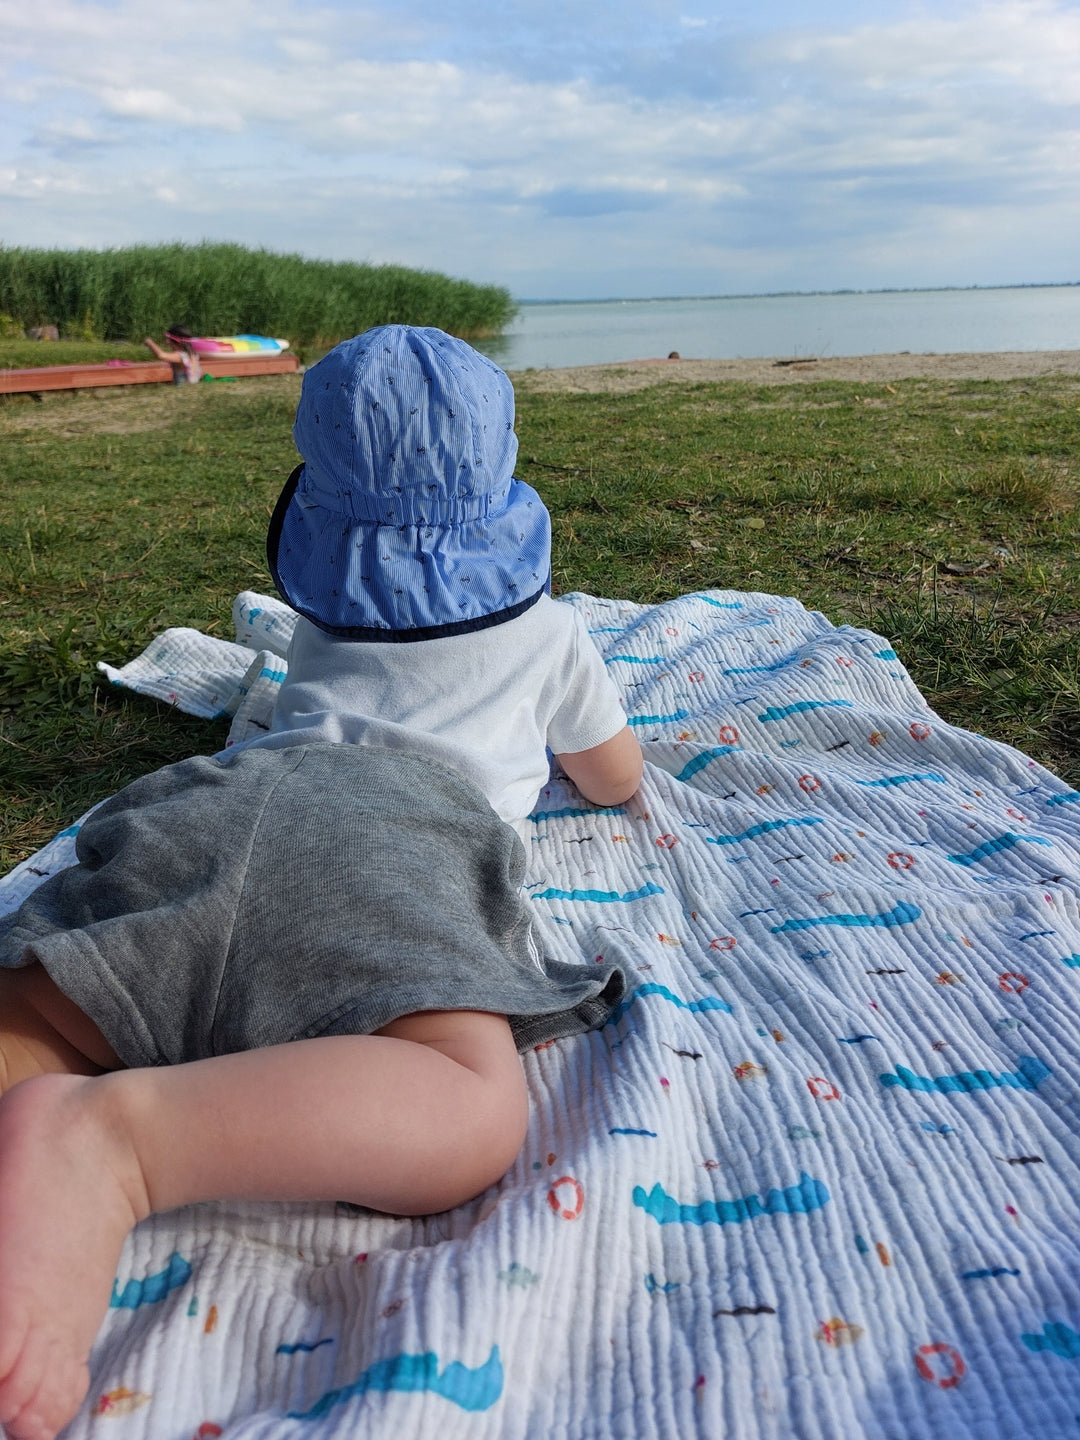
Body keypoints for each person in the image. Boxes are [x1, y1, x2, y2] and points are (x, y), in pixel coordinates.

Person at [0, 326, 643, 1440]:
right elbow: (614, 778)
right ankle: (121, 1146)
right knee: (465, 1103)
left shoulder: (319, 619)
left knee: (48, 1006)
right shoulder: (551, 633)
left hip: (214, 805)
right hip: (395, 839)